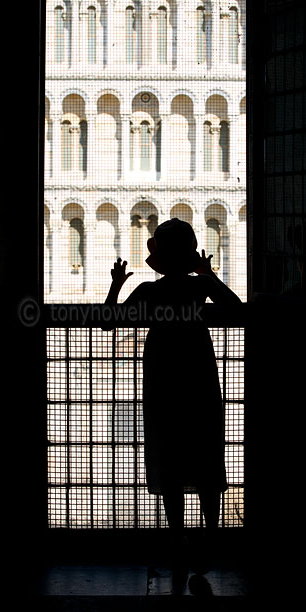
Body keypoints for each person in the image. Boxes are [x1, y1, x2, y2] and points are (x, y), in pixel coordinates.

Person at [104, 218, 242, 572]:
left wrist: (116, 285)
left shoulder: (151, 292)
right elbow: (236, 308)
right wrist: (207, 274)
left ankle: (178, 538)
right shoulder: (199, 288)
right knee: (205, 455)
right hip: (199, 377)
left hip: (164, 381)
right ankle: (210, 537)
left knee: (170, 458)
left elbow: (108, 321)